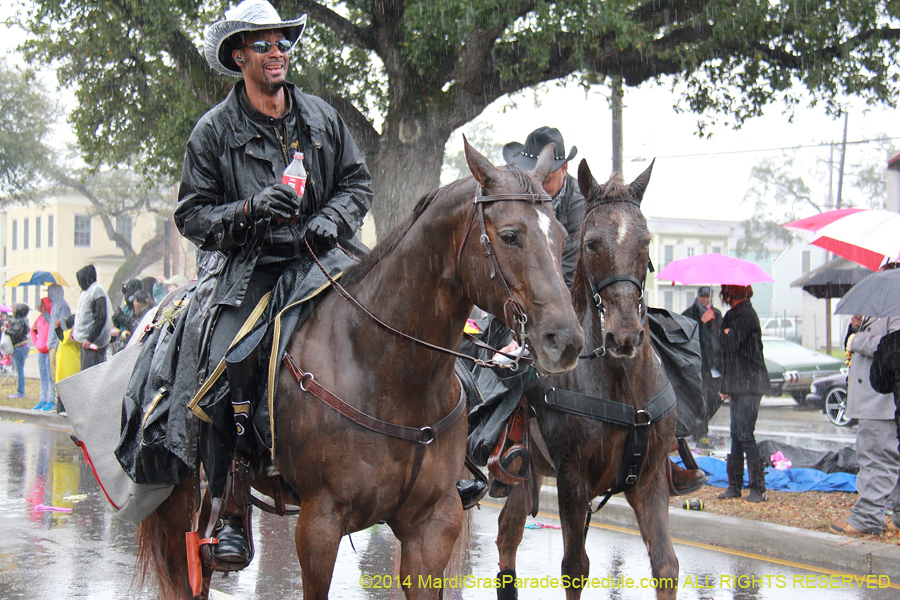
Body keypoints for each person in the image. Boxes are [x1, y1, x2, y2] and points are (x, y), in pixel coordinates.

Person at [173, 0, 372, 565]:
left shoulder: (321, 118)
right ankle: (232, 504)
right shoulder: (213, 131)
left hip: (322, 257)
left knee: (391, 316)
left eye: (282, 42)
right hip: (250, 269)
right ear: (239, 57)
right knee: (229, 360)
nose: (277, 51)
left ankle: (430, 462)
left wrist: (332, 218)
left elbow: (357, 184)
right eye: (262, 44)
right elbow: (191, 216)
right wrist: (249, 209)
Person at [831, 312, 900, 536]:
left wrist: (857, 340)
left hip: (882, 401)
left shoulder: (895, 307)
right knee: (887, 460)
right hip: (876, 399)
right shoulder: (880, 307)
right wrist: (854, 328)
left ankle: (866, 519)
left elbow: (893, 345)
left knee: (877, 460)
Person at [705, 284, 770, 503]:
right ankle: (734, 485)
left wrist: (713, 323)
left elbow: (728, 344)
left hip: (751, 384)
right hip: (739, 383)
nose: (723, 296)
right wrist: (726, 386)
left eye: (725, 292)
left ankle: (758, 488)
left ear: (732, 294)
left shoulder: (746, 315)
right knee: (735, 434)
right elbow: (727, 352)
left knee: (745, 434)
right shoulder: (733, 315)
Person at [502, 126, 585, 287]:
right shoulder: (516, 194)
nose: (537, 187)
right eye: (530, 178)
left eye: (546, 180)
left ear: (564, 169)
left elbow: (569, 273)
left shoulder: (578, 205)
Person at [682, 286, 723, 448]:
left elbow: (719, 337)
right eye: (702, 297)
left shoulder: (717, 314)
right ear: (698, 297)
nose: (705, 300)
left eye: (707, 297)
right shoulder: (688, 315)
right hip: (698, 363)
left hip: (714, 364)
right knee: (702, 398)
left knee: (716, 398)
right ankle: (701, 433)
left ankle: (698, 425)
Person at [72, 265, 114, 370]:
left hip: (93, 343)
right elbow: (83, 315)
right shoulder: (88, 291)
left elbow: (100, 317)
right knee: (86, 372)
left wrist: (90, 339)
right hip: (87, 342)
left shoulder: (96, 291)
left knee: (90, 373)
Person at [29, 297, 54, 411]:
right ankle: (43, 399)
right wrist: (37, 343)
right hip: (41, 351)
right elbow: (34, 330)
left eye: (43, 305)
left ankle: (51, 400)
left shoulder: (50, 318)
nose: (41, 307)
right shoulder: (39, 318)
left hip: (49, 350)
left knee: (50, 377)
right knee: (43, 376)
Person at [47, 284, 72, 392]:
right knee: (53, 372)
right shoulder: (54, 305)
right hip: (51, 343)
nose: (48, 295)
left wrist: (58, 344)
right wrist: (44, 313)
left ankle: (60, 397)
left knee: (57, 373)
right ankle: (57, 396)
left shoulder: (63, 306)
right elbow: (52, 324)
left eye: (49, 292)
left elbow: (64, 327)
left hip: (56, 344)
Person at [6, 304, 31, 400]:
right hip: (22, 346)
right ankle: (20, 391)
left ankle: (20, 392)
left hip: (19, 347)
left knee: (19, 370)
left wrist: (7, 331)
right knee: (19, 370)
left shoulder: (20, 321)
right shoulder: (24, 320)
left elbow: (16, 334)